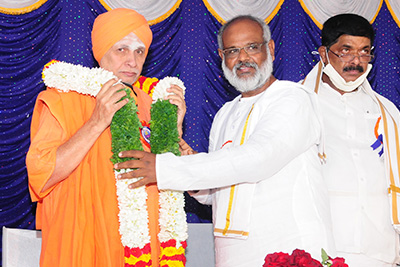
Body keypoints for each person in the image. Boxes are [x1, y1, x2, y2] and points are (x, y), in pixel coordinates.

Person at [115, 15, 336, 267]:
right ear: (222, 56)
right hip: (233, 255)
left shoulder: (293, 98)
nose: (243, 58)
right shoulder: (225, 113)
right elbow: (221, 193)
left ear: (270, 49)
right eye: (232, 51)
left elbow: (258, 158)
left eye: (252, 47)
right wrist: (193, 173)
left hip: (290, 247)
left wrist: (164, 168)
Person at [26, 8, 185, 267]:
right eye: (121, 49)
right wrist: (97, 122)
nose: (132, 61)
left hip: (143, 249)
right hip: (85, 243)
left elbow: (167, 177)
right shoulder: (63, 98)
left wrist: (173, 130)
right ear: (101, 51)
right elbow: (42, 174)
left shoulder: (150, 103)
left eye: (139, 51)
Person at [301, 13, 400, 266]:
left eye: (365, 52)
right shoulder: (297, 103)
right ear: (324, 54)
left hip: (380, 247)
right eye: (346, 51)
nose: (357, 61)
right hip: (319, 245)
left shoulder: (387, 111)